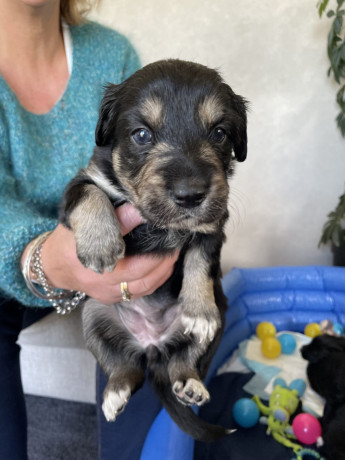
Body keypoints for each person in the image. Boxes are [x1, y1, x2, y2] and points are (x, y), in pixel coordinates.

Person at [0, 0, 176, 458]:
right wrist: (43, 256)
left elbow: (138, 176)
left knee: (161, 309)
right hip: (16, 261)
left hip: (107, 250)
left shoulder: (112, 55)